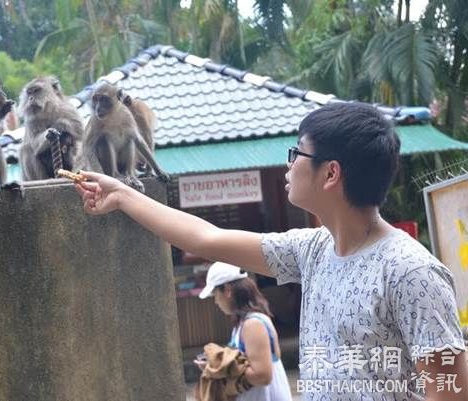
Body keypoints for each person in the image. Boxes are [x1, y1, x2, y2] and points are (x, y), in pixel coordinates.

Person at [76, 102, 468, 400]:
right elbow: (207, 238)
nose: (289, 164)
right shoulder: (312, 250)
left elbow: (450, 390)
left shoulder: (410, 271)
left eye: (296, 154)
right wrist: (122, 194)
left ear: (331, 173)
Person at [195, 261, 292, 401]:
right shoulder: (244, 323)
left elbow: (263, 376)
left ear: (227, 290)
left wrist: (220, 368)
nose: (216, 301)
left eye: (215, 294)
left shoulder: (253, 324)